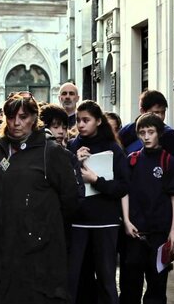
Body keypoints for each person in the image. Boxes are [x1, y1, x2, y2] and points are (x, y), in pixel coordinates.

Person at [0, 93, 79, 304]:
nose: (16, 123)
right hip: (2, 246)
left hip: (39, 250)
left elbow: (71, 199)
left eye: (23, 117)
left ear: (35, 118)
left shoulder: (51, 151)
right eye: (11, 116)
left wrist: (42, 228)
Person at [67, 100, 130, 304]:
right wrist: (75, 163)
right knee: (75, 278)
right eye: (78, 120)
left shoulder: (113, 148)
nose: (81, 124)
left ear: (98, 121)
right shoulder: (72, 145)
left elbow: (122, 187)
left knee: (106, 278)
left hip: (105, 222)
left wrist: (96, 181)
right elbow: (63, 184)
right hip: (78, 222)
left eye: (86, 120)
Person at [119, 112, 174, 304]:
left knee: (157, 285)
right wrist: (127, 221)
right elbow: (124, 191)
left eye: (151, 132)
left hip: (159, 232)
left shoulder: (168, 161)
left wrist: (173, 231)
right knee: (131, 286)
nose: (146, 136)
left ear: (159, 133)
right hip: (135, 233)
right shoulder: (132, 159)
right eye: (142, 132)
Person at [118, 90, 174, 164]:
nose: (160, 117)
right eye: (156, 112)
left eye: (163, 112)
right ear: (143, 111)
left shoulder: (169, 135)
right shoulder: (127, 131)